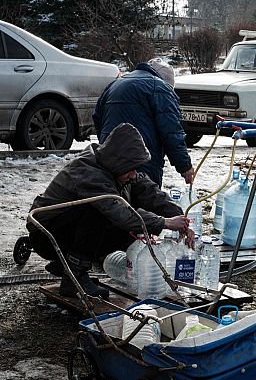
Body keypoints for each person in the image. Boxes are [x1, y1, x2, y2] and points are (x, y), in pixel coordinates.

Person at [27, 123, 195, 299]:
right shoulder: (89, 172)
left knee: (128, 229)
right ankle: (74, 277)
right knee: (103, 214)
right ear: (119, 162)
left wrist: (180, 218)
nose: (134, 174)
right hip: (46, 235)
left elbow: (151, 193)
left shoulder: (117, 169)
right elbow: (119, 212)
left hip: (64, 228)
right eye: (130, 169)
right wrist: (164, 223)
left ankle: (68, 264)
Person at [93, 58, 194, 187]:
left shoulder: (115, 84)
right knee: (147, 200)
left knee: (114, 199)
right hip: (142, 160)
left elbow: (97, 117)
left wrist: (107, 145)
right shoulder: (159, 88)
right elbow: (171, 132)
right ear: (166, 81)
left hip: (110, 159)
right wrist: (185, 166)